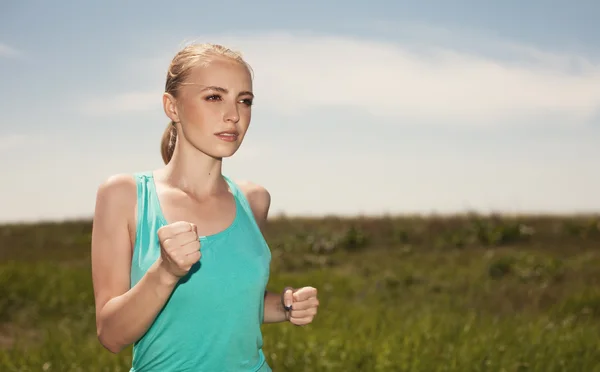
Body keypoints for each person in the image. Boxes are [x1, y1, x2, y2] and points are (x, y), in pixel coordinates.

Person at [90, 42, 320, 372]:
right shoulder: (125, 195)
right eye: (214, 97)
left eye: (245, 100)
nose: (234, 115)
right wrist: (165, 272)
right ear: (172, 107)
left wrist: (285, 306)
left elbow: (230, 305)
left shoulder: (254, 199)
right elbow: (111, 335)